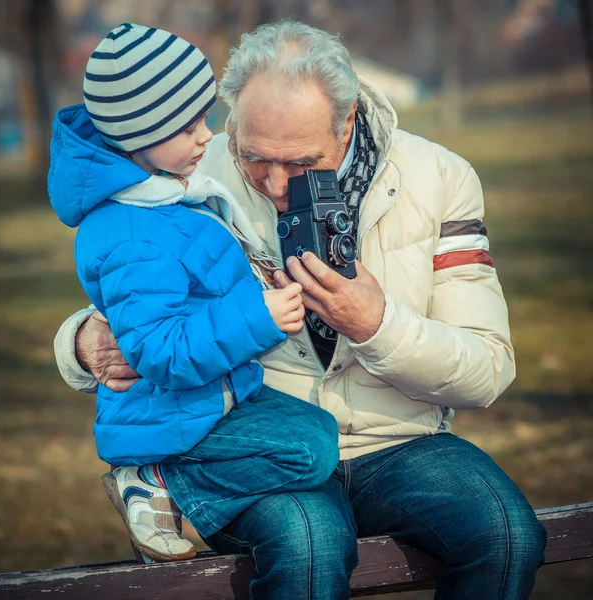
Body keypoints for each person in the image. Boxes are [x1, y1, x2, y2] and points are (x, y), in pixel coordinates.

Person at [54, 20, 547, 599]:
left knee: (507, 533)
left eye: (302, 162)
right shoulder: (184, 170)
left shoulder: (439, 178)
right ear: (233, 118)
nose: (277, 183)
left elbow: (487, 368)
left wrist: (377, 324)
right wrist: (82, 343)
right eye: (256, 158)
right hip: (256, 438)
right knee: (307, 543)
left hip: (397, 440)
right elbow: (129, 294)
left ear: (348, 123)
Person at [48, 22, 341, 565]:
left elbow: (196, 285)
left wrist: (261, 286)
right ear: (138, 139)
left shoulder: (164, 194)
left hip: (213, 397)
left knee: (316, 435)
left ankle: (164, 480)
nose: (207, 136)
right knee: (309, 449)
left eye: (204, 117)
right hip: (169, 412)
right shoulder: (135, 230)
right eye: (187, 127)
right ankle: (155, 480)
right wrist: (256, 316)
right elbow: (162, 353)